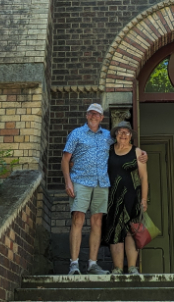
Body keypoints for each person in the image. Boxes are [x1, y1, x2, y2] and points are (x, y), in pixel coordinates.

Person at [62, 104, 146, 275]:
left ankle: (92, 264)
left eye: (98, 114)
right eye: (91, 113)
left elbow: (126, 147)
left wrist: (142, 153)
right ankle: (74, 264)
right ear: (87, 115)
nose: (94, 116)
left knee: (97, 222)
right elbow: (65, 160)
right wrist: (68, 182)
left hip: (102, 184)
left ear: (101, 118)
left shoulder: (108, 136)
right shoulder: (76, 133)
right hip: (80, 181)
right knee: (78, 219)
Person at [104, 121, 149, 275]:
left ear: (131, 136)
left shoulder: (137, 152)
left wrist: (144, 199)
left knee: (132, 231)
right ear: (115, 135)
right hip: (112, 198)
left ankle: (132, 267)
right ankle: (117, 268)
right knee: (115, 232)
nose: (123, 135)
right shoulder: (108, 151)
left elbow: (143, 178)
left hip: (132, 197)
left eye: (126, 132)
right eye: (120, 132)